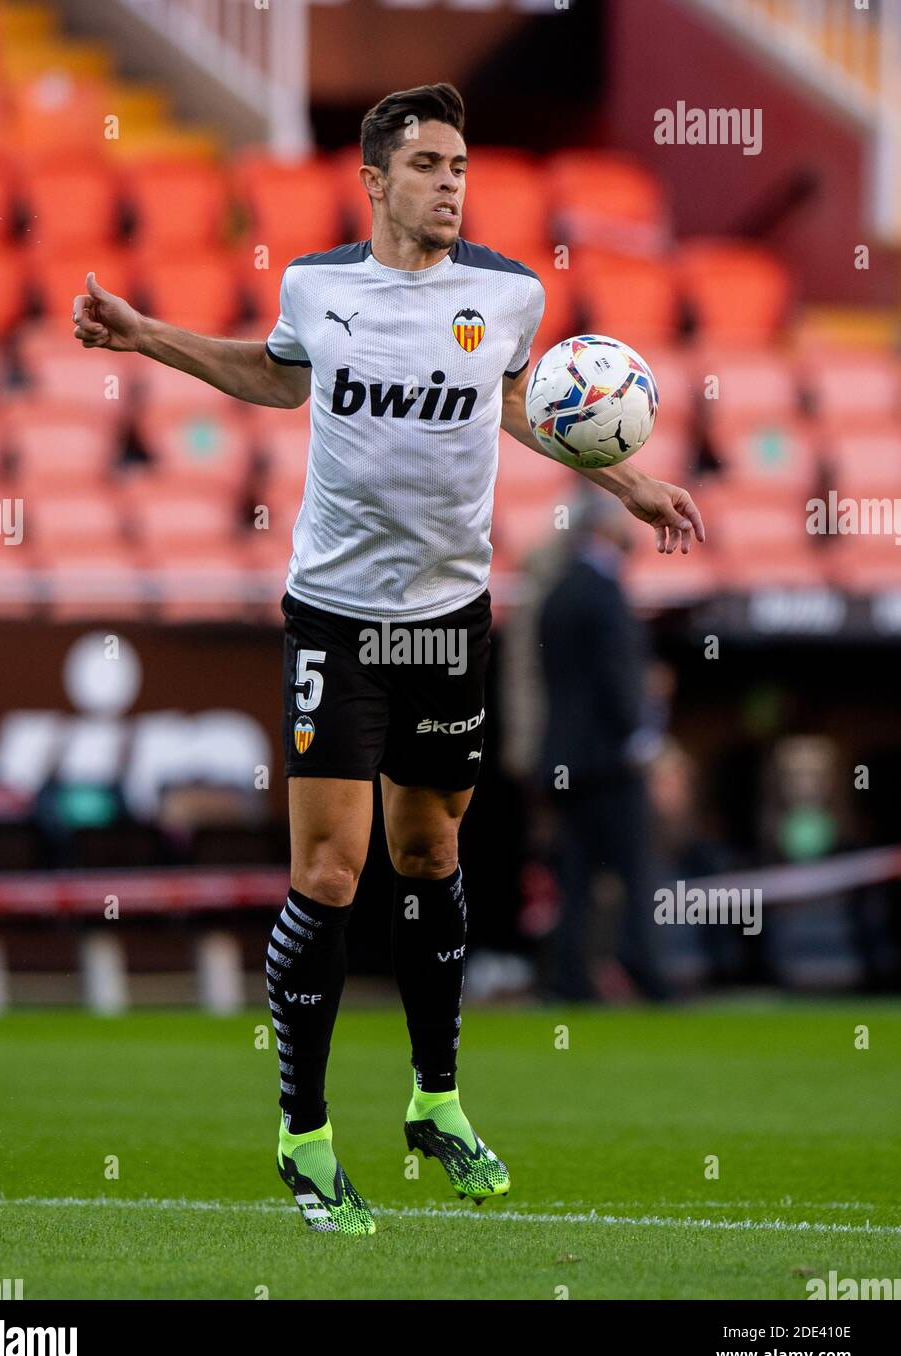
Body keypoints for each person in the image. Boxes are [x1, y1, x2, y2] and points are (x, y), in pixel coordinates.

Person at [72, 82, 703, 1235]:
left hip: (450, 618)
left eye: (461, 165)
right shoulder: (319, 289)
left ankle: (435, 1101)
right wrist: (146, 333)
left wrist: (630, 482)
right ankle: (304, 1137)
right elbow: (274, 377)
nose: (452, 183)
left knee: (430, 848)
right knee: (329, 872)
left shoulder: (510, 296)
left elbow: (518, 407)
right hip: (337, 617)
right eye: (429, 165)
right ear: (376, 181)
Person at [536, 488, 673, 1002]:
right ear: (604, 532)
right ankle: (646, 970)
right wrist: (639, 736)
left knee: (575, 878)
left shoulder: (556, 592)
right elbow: (618, 680)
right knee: (636, 873)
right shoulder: (606, 592)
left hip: (565, 761)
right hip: (611, 762)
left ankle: (570, 978)